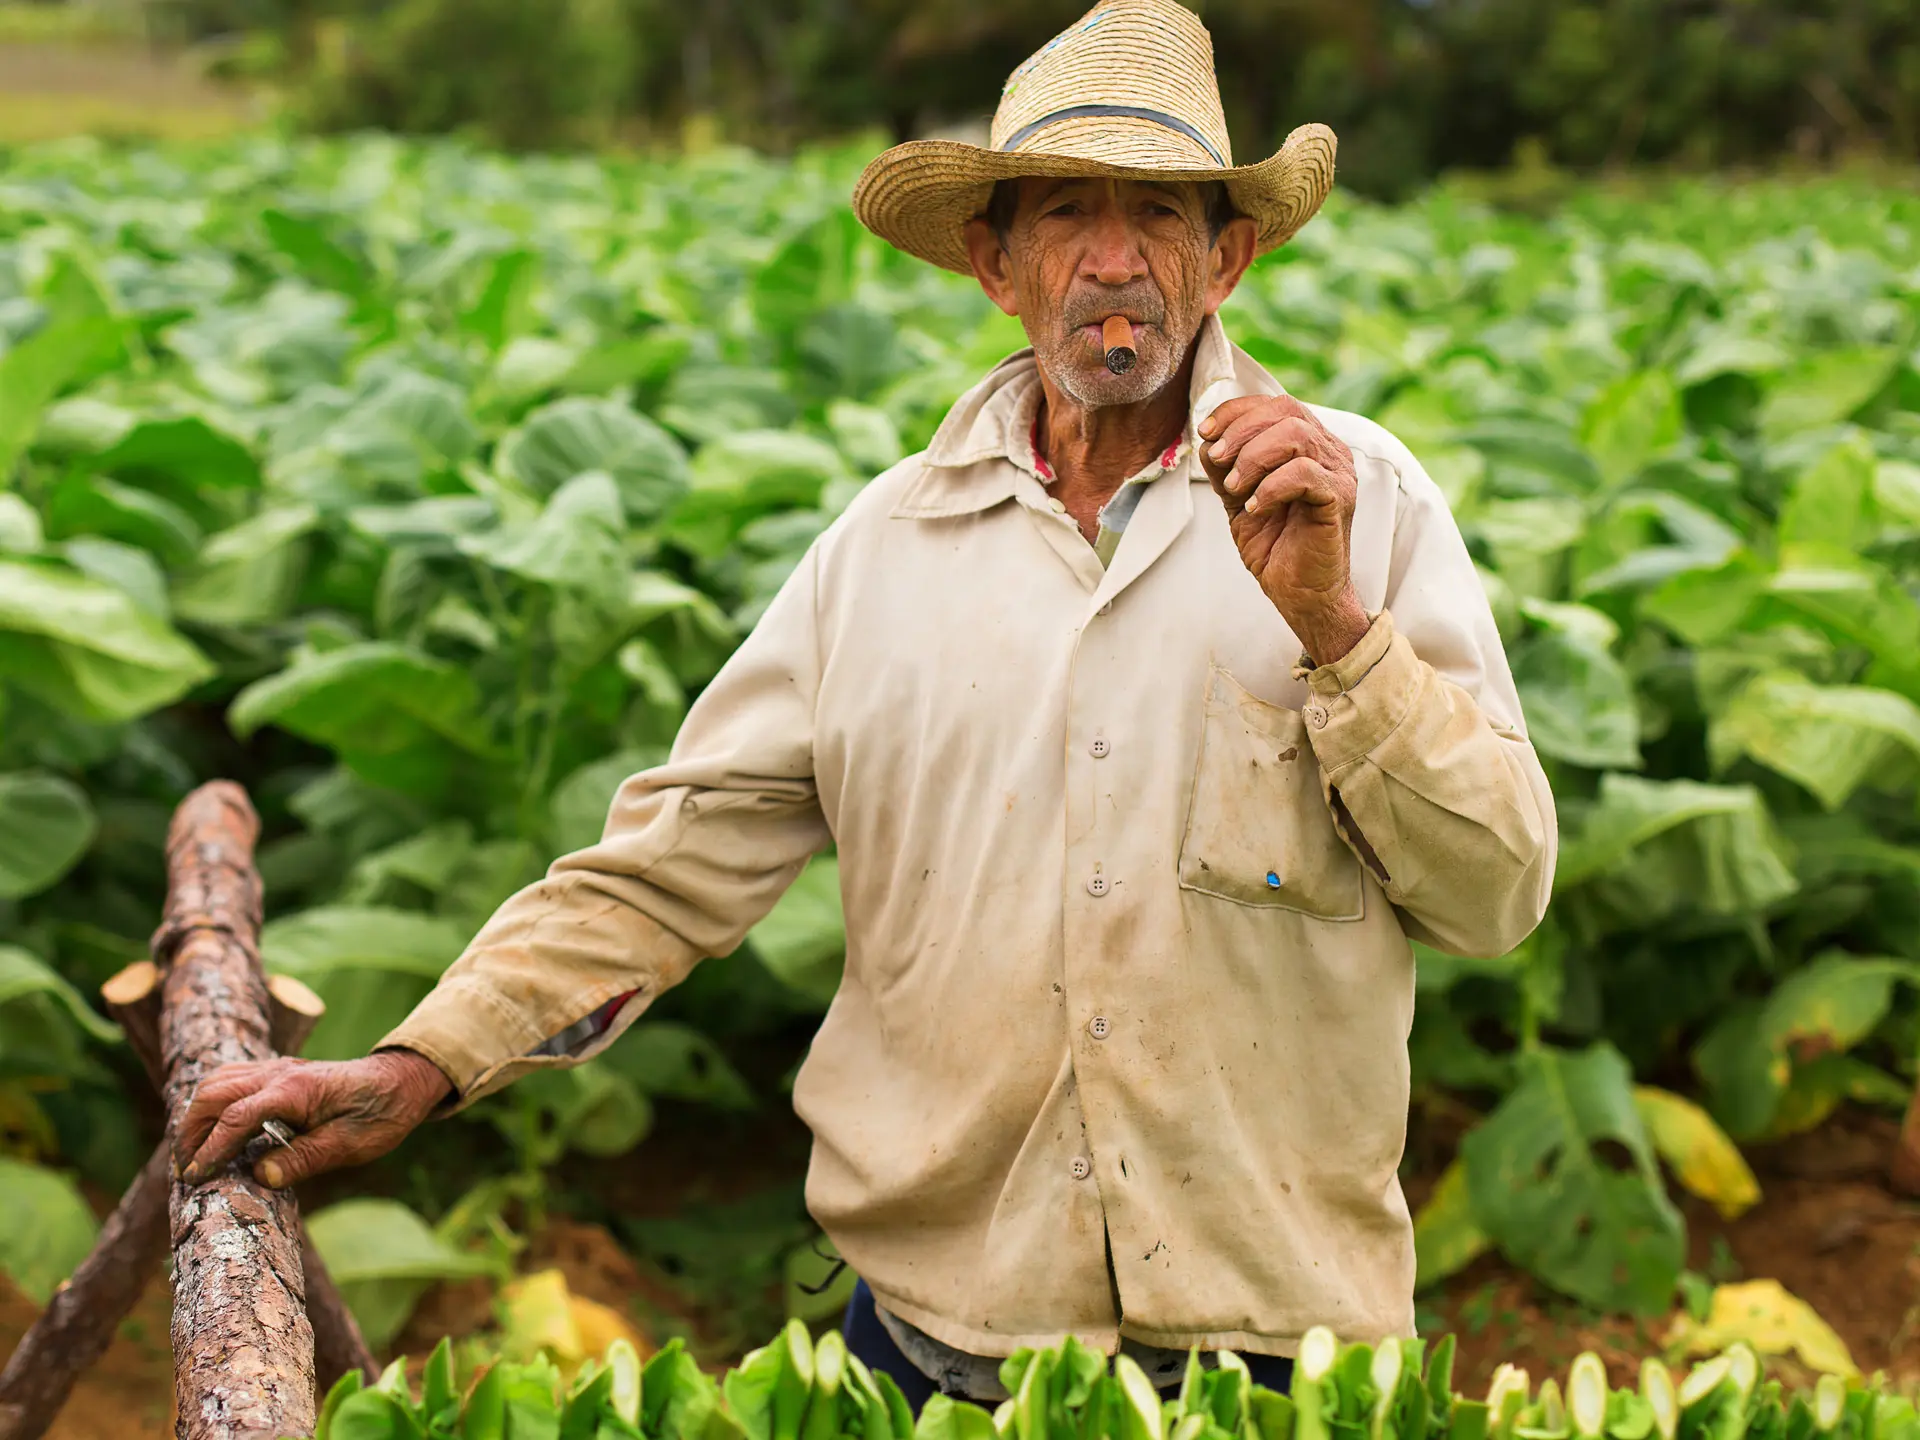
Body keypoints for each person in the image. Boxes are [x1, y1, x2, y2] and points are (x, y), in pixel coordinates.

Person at [175, 0, 1556, 1409]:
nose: (1115, 260)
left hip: (1271, 1362)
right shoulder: (885, 550)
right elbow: (671, 866)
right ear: (993, 262)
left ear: (1231, 254)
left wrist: (1335, 629)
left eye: (1159, 214)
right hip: (935, 1357)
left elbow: (1497, 894)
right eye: (1066, 213)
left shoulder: (1358, 504)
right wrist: (424, 1062)